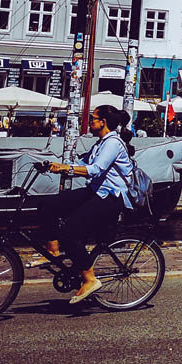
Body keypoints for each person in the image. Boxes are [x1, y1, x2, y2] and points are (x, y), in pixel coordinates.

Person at [35, 105, 135, 304]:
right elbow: (83, 161)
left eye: (93, 118)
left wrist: (67, 168)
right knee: (47, 205)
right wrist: (52, 163)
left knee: (70, 233)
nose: (90, 122)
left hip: (111, 197)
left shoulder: (113, 143)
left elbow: (95, 169)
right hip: (96, 190)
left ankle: (90, 279)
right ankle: (53, 252)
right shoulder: (101, 143)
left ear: (103, 122)